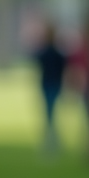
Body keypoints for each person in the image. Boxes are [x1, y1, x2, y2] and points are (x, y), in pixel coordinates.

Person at [32, 22, 68, 154]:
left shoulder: (45, 53)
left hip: (48, 84)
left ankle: (50, 137)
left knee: (49, 112)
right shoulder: (58, 54)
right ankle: (52, 137)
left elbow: (36, 59)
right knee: (51, 111)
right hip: (54, 84)